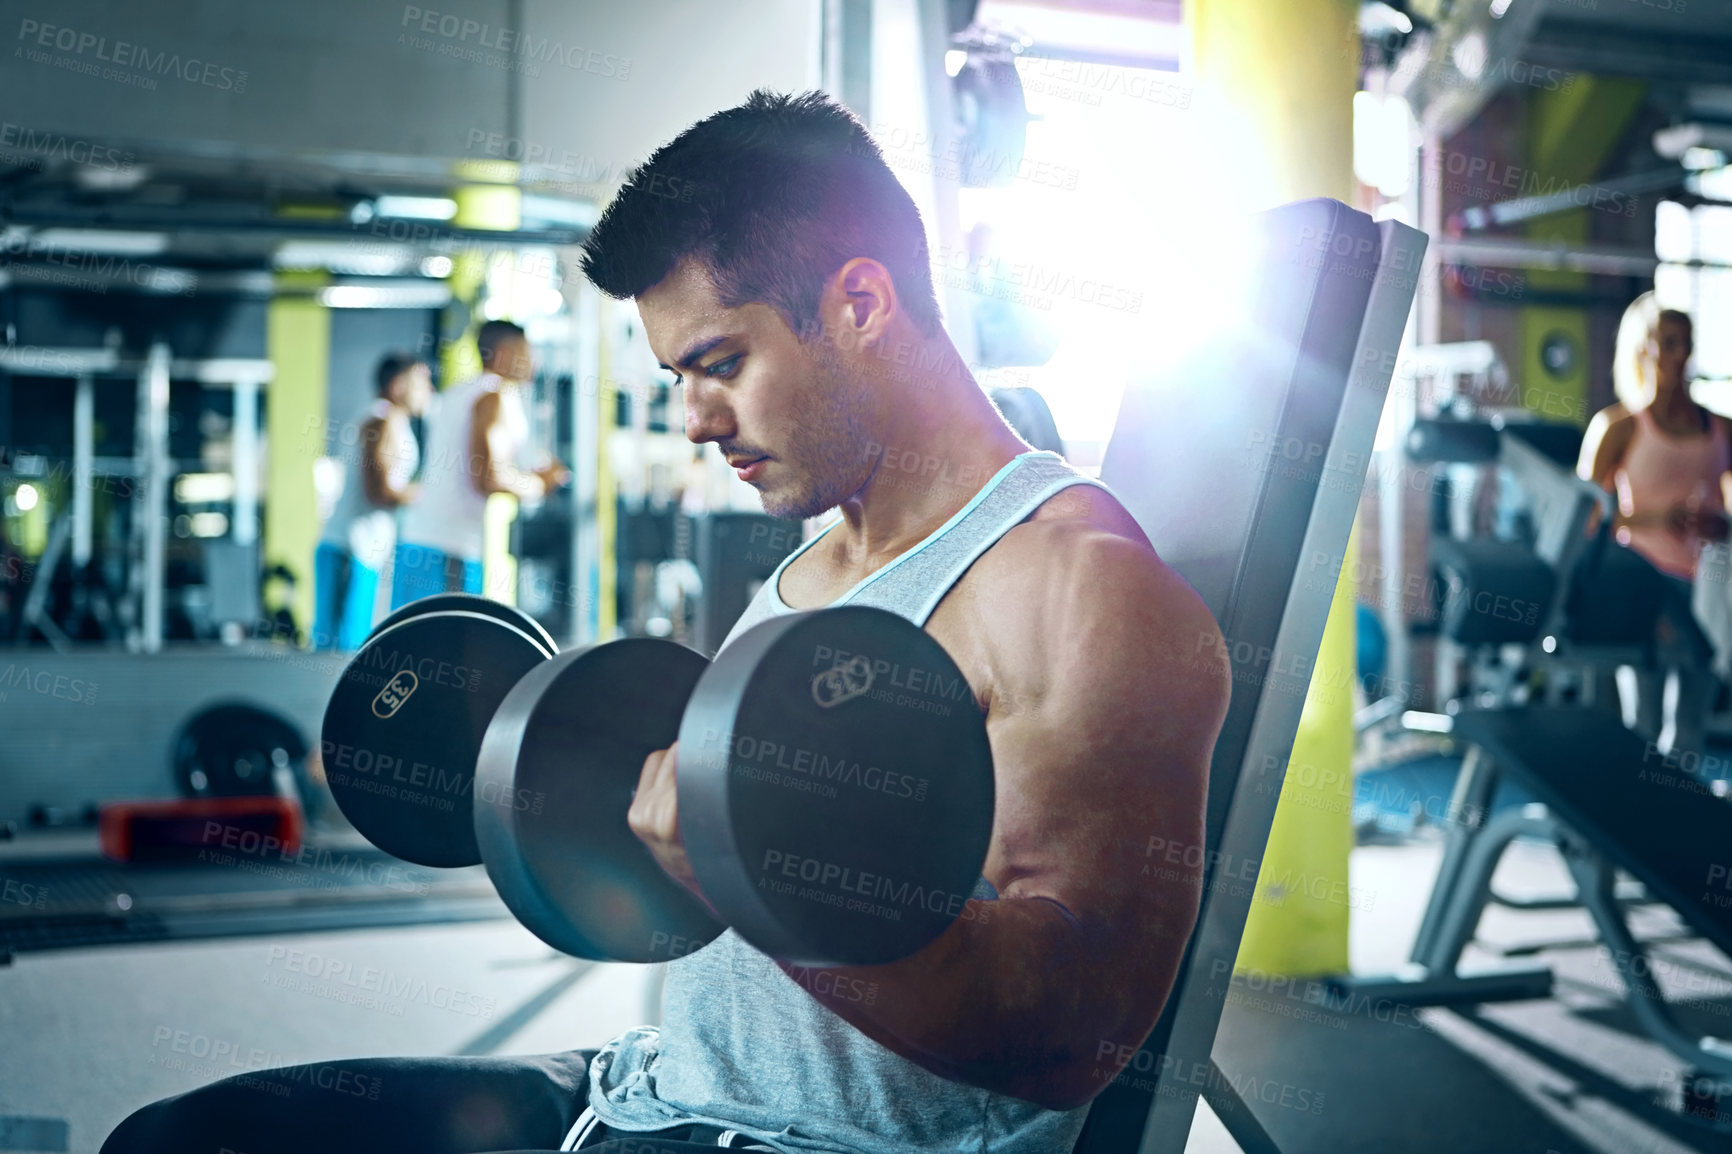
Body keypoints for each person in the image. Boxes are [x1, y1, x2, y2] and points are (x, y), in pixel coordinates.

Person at [102, 90, 1230, 1154]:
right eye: (677, 376)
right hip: (644, 1091)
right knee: (178, 1136)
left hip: (794, 1139)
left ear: (860, 303)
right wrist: (555, 793)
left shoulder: (1075, 583)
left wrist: (752, 875)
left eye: (719, 363)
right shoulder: (820, 558)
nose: (693, 419)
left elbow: (1071, 1030)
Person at [1578, 294, 1728, 751]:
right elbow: (1581, 519)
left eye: (1686, 343)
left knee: (1690, 725)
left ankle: (1677, 816)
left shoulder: (1720, 428)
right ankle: (1634, 813)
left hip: (1706, 587)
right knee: (1642, 723)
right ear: (1644, 349)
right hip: (1642, 584)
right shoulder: (1618, 427)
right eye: (1669, 343)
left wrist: (1721, 525)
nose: (1680, 355)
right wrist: (1655, 517)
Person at [392, 320, 570, 609]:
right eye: (526, 352)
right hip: (448, 548)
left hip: (423, 539)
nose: (533, 361)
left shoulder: (459, 392)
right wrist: (540, 485)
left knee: (414, 645)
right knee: (448, 649)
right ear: (502, 356)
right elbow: (488, 477)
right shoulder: (492, 397)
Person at [311, 351, 430, 650]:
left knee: (349, 646)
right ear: (397, 385)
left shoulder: (389, 422)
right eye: (422, 382)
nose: (429, 390)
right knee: (344, 651)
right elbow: (378, 490)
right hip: (350, 549)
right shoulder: (382, 421)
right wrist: (423, 495)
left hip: (359, 547)